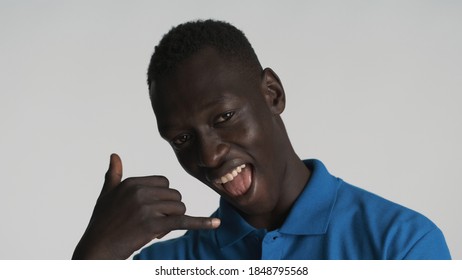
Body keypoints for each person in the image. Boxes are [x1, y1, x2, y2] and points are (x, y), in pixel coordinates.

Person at [72, 19, 451, 260]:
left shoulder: (400, 245)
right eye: (183, 138)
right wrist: (95, 256)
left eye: (224, 117)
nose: (209, 154)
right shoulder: (164, 266)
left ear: (272, 94)